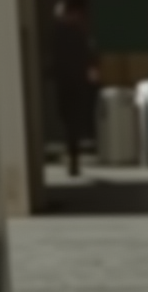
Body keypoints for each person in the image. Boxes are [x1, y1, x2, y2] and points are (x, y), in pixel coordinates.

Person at [48, 0, 99, 178]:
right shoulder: (70, 31)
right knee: (69, 120)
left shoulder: (72, 32)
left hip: (72, 82)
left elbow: (88, 55)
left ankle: (73, 158)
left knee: (72, 122)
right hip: (69, 82)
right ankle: (73, 156)